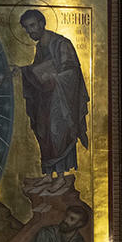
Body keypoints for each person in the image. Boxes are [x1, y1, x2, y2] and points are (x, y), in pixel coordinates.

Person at [17, 10, 89, 177]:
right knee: (44, 132)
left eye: (33, 25)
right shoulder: (40, 47)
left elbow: (72, 73)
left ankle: (61, 178)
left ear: (42, 23)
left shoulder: (61, 44)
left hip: (61, 100)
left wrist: (53, 77)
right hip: (45, 101)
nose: (30, 31)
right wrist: (25, 72)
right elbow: (37, 73)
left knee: (58, 133)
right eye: (27, 28)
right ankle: (49, 176)